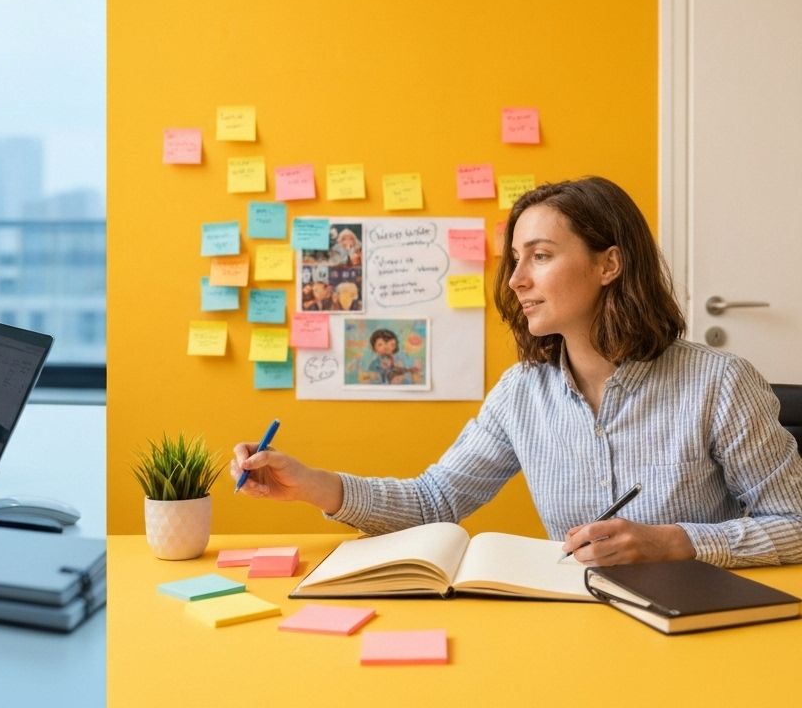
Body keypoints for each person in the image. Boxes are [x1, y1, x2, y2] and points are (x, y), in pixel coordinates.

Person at [231, 176, 802, 568]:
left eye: (542, 255)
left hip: (698, 627)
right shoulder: (520, 393)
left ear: (610, 263)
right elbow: (434, 501)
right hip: (578, 621)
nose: (516, 280)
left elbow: (795, 524)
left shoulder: (720, 383)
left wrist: (676, 543)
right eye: (515, 260)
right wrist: (311, 485)